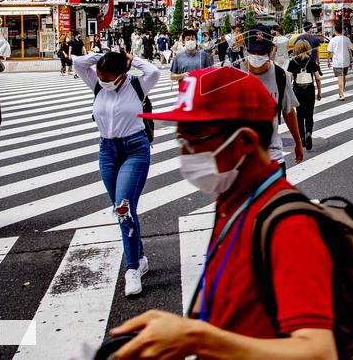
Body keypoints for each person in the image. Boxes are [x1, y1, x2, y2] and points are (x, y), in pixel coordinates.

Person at [111, 67, 335, 359]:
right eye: (181, 140)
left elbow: (319, 352)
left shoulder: (289, 224)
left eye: (193, 140)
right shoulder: (233, 199)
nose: (185, 153)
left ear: (243, 143)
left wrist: (197, 339)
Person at [73, 49, 160, 296]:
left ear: (122, 75)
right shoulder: (97, 84)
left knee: (123, 208)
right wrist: (101, 55)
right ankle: (139, 256)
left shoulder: (137, 84)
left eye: (109, 77)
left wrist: (133, 59)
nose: (104, 81)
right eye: (101, 76)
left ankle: (132, 268)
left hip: (135, 149)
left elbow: (153, 71)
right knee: (123, 211)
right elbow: (78, 62)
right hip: (107, 151)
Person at [245, 27, 304, 167]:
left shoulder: (280, 75)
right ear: (245, 48)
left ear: (271, 49)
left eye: (261, 52)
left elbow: (288, 111)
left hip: (273, 157)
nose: (256, 56)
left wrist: (298, 142)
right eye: (252, 51)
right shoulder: (234, 75)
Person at [287, 40, 321, 151]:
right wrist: (319, 92)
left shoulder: (292, 62)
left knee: (300, 115)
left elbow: (289, 79)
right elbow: (317, 78)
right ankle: (309, 134)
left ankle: (301, 137)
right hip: (309, 90)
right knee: (309, 114)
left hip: (297, 90)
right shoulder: (311, 61)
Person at [327, 23, 352, 101]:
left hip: (337, 62)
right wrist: (351, 61)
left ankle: (341, 95)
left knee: (340, 78)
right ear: (343, 30)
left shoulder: (333, 40)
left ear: (335, 30)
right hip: (346, 61)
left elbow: (329, 52)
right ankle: (342, 92)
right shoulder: (347, 39)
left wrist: (328, 61)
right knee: (344, 77)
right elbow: (350, 51)